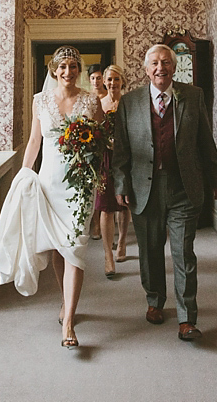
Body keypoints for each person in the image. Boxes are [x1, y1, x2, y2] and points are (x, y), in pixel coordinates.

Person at [112, 44, 217, 342]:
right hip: (143, 189)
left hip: (183, 188)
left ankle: (187, 318)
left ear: (174, 68)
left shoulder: (193, 95)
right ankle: (154, 301)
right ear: (145, 69)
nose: (160, 67)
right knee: (149, 253)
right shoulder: (129, 102)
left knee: (183, 253)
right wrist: (121, 184)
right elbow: (121, 149)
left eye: (165, 62)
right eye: (154, 63)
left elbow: (205, 141)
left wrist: (216, 177)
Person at [0, 46, 103, 349]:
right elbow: (34, 141)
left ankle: (68, 322)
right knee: (57, 249)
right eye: (63, 66)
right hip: (50, 183)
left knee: (75, 248)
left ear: (79, 70)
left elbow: (103, 140)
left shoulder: (91, 101)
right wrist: (24, 175)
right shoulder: (40, 101)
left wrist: (96, 170)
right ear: (54, 70)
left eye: (74, 66)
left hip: (79, 185)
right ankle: (67, 302)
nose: (68, 72)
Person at [95, 64, 131, 277]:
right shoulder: (99, 103)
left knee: (124, 203)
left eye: (116, 79)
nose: (112, 83)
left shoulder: (129, 103)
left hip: (126, 158)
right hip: (106, 158)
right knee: (106, 206)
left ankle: (123, 242)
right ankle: (108, 255)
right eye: (109, 79)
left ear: (122, 81)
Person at [86, 63, 107, 239]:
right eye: (93, 78)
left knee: (104, 187)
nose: (96, 81)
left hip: (106, 146)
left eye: (98, 78)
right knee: (93, 186)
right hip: (91, 146)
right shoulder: (87, 99)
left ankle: (104, 223)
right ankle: (95, 225)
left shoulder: (109, 97)